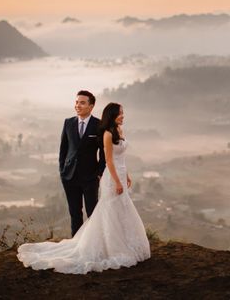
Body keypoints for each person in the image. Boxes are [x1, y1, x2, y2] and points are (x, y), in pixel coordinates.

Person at [17, 102, 150, 274]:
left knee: (121, 209)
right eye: (120, 113)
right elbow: (108, 160)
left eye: (123, 113)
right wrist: (117, 181)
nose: (123, 116)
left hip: (120, 175)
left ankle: (122, 243)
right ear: (112, 115)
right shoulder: (108, 134)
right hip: (112, 178)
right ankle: (102, 246)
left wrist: (127, 175)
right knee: (107, 210)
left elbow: (120, 159)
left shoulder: (120, 131)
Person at [60, 90, 106, 237]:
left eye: (82, 103)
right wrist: (62, 171)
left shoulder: (99, 125)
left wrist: (99, 173)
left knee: (92, 213)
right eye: (76, 102)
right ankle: (76, 245)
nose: (77, 105)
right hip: (70, 176)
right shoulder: (68, 123)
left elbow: (103, 152)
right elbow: (63, 149)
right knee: (75, 213)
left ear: (91, 106)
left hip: (90, 177)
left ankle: (93, 244)